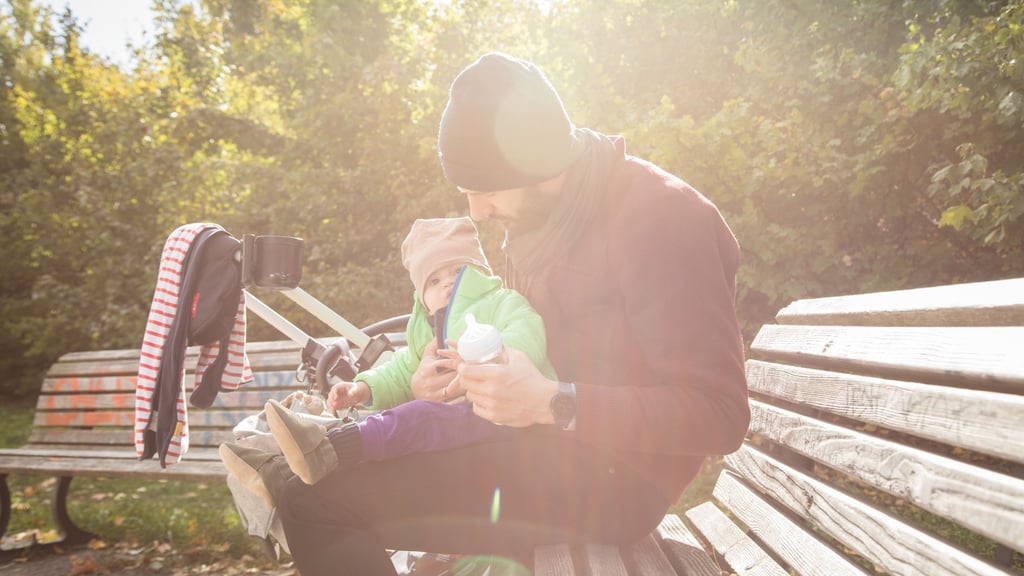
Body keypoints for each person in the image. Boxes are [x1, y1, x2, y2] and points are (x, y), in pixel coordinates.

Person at [275, 52, 750, 575]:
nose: (477, 211)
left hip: (615, 481)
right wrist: (454, 378)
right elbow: (523, 343)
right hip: (531, 443)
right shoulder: (535, 222)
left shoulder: (662, 218)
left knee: (316, 503)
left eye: (487, 190)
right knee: (308, 481)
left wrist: (554, 403)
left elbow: (720, 416)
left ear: (539, 160)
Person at [219, 216, 557, 504]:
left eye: (458, 270)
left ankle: (321, 451)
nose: (448, 282)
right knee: (397, 424)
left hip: (508, 425)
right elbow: (401, 370)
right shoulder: (424, 330)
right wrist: (363, 388)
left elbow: (527, 333)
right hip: (459, 435)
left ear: (480, 272)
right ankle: (281, 467)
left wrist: (492, 355)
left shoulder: (501, 303)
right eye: (434, 280)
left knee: (417, 417)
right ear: (422, 298)